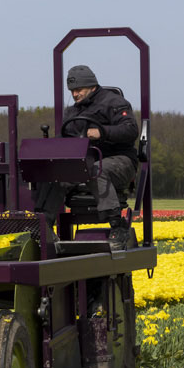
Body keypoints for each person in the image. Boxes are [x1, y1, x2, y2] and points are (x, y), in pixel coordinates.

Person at [41, 64, 138, 251]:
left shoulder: (114, 103)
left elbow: (130, 129)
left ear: (92, 86)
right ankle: (44, 227)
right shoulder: (72, 112)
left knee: (96, 170)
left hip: (120, 160)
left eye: (79, 90)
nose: (75, 94)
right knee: (54, 171)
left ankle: (117, 227)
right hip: (85, 161)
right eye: (72, 91)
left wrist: (102, 132)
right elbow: (67, 138)